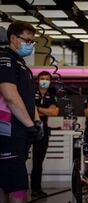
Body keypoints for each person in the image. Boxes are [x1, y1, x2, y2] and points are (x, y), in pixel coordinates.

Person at [0, 21, 43, 203]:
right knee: (18, 190)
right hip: (8, 133)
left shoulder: (21, 65)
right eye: (28, 41)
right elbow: (10, 96)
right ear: (13, 39)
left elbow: (27, 99)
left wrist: (37, 121)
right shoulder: (5, 60)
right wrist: (30, 125)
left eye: (33, 42)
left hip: (19, 134)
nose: (31, 45)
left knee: (6, 184)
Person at [31, 71, 59, 198]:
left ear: (50, 81)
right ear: (38, 80)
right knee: (20, 160)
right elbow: (28, 110)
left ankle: (36, 189)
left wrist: (38, 109)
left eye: (47, 79)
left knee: (38, 162)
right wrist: (45, 111)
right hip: (27, 128)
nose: (44, 80)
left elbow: (55, 112)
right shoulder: (30, 91)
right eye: (42, 78)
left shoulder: (52, 94)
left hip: (43, 131)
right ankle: (17, 188)